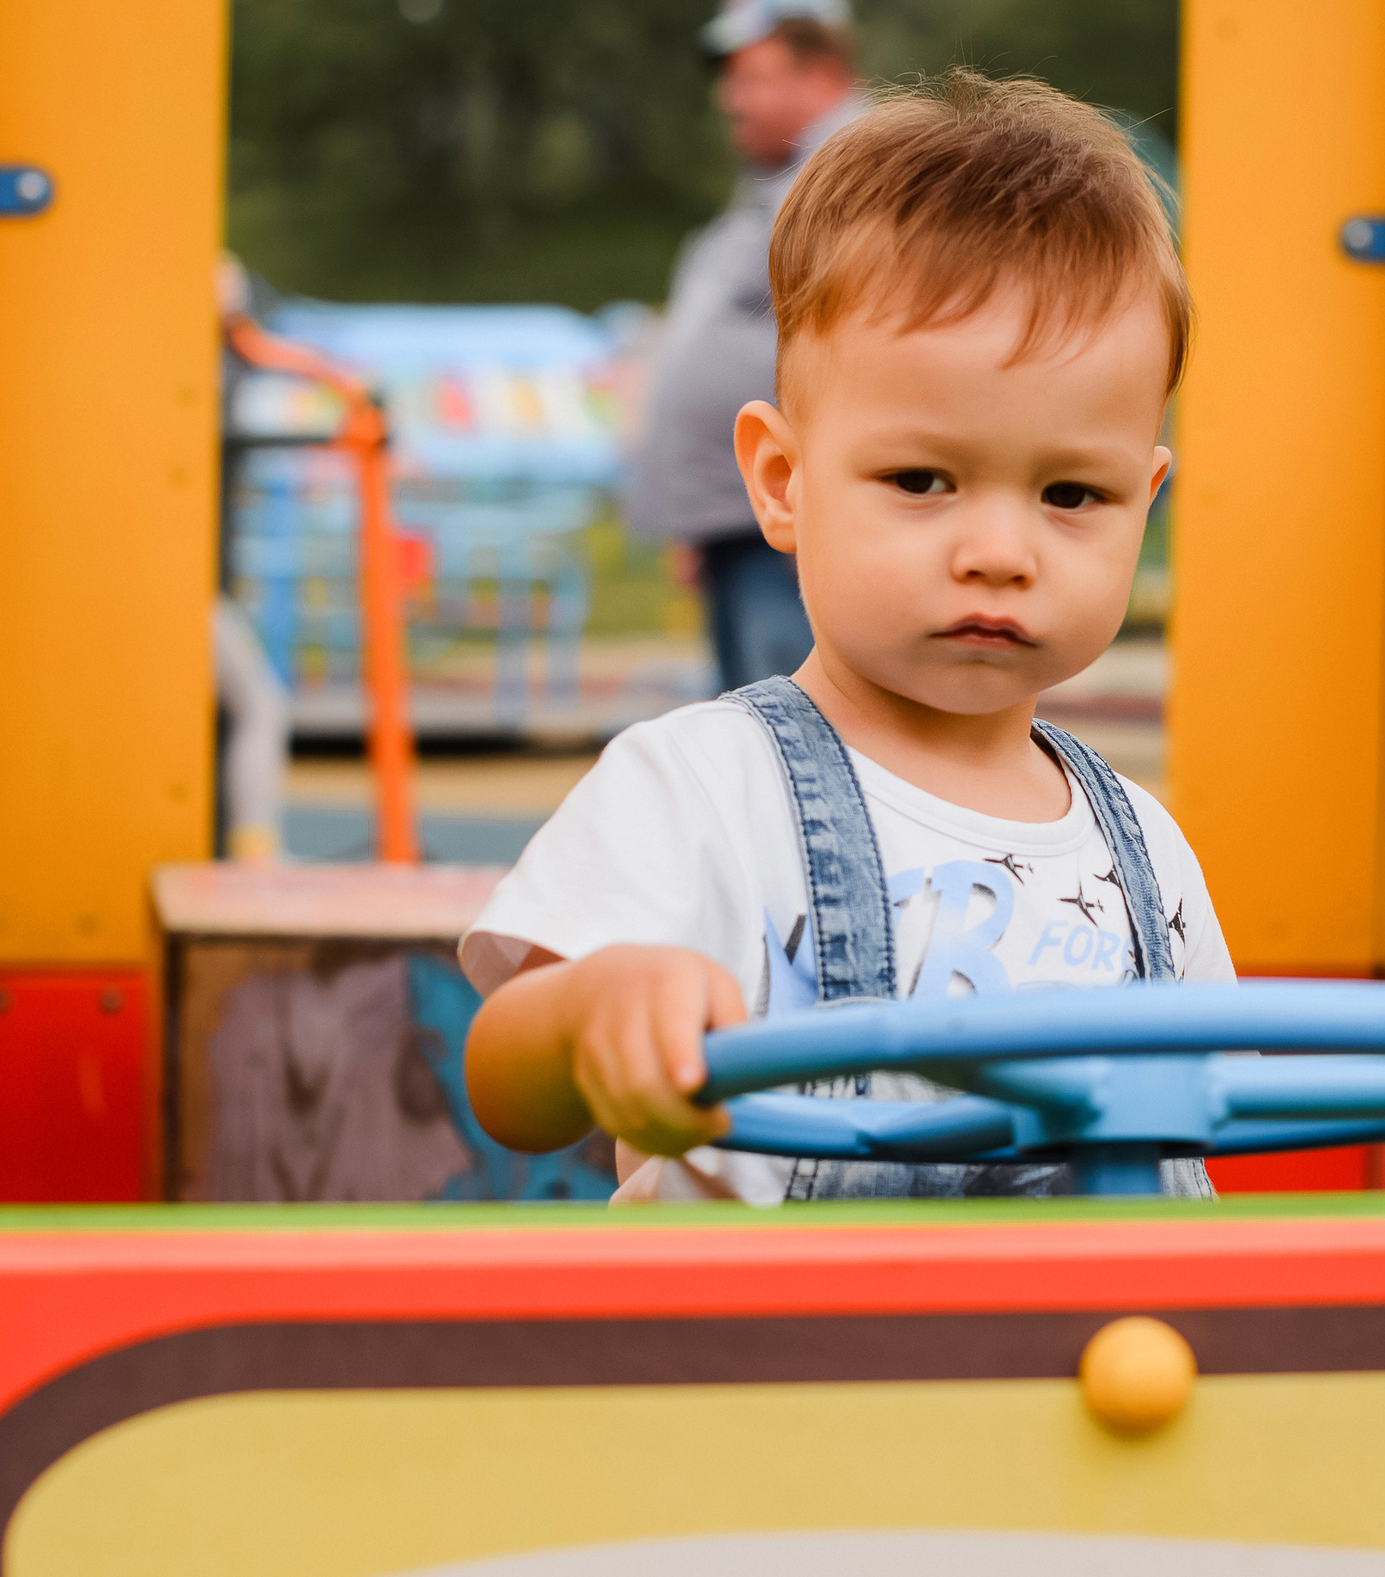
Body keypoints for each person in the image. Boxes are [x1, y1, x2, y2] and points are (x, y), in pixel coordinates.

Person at [463, 71, 1229, 1204]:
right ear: (782, 481)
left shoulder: (1146, 854)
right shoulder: (707, 787)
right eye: (922, 480)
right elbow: (503, 1084)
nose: (1000, 552)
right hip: (767, 1325)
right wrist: (590, 1010)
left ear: (1145, 501)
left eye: (1071, 495)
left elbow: (1194, 1145)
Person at [628, 0, 865, 693]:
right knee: (754, 733)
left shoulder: (856, 176)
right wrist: (698, 511)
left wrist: (820, 500)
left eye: (753, 76)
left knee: (797, 732)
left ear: (820, 72)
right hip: (743, 519)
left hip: (793, 529)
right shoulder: (781, 181)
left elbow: (864, 354)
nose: (731, 98)